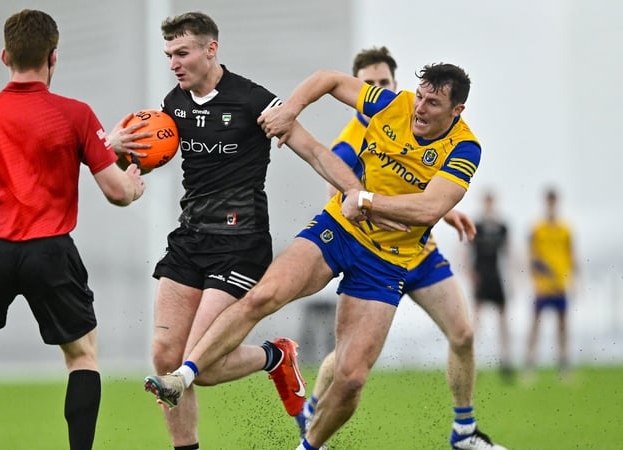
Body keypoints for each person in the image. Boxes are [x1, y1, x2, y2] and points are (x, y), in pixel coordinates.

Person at [145, 61, 491, 450]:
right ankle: (184, 376)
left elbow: (429, 207)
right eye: (421, 97)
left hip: (389, 260)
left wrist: (367, 200)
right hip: (338, 233)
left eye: (433, 103)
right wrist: (290, 110)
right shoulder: (392, 105)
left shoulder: (464, 146)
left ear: (456, 110)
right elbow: (327, 83)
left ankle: (310, 446)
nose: (420, 109)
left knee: (352, 377)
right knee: (264, 295)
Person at [140, 12, 374, 450]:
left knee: (200, 365)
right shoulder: (172, 105)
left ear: (211, 49)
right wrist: (124, 158)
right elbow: (144, 158)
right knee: (165, 358)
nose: (174, 62)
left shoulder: (253, 101)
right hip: (190, 238)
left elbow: (314, 151)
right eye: (169, 54)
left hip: (240, 243)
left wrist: (356, 192)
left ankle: (274, 356)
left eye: (182, 52)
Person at [0, 9, 145, 450]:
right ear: (54, 57)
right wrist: (133, 185)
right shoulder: (75, 115)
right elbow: (116, 193)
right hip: (49, 250)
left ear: (4, 56)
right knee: (82, 356)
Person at [294, 46, 504, 450]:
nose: (376, 89)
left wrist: (441, 213)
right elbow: (339, 193)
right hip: (374, 259)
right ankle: (313, 409)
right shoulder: (353, 138)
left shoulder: (410, 118)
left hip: (421, 256)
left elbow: (414, 182)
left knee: (462, 333)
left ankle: (464, 431)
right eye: (368, 83)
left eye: (383, 83)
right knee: (347, 361)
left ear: (394, 83)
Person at [524, 187, 576, 380]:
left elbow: (571, 256)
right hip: (543, 286)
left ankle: (563, 367)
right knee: (535, 325)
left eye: (554, 202)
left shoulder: (565, 229)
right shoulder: (537, 228)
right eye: (549, 202)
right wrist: (534, 279)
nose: (551, 205)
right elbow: (531, 257)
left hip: (560, 285)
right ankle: (529, 366)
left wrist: (574, 281)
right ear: (545, 203)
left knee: (562, 326)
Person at [470, 190, 512, 382]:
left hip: (496, 277)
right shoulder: (475, 226)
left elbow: (509, 252)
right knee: (477, 321)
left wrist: (514, 278)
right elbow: (465, 251)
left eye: (491, 203)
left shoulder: (502, 227)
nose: (489, 206)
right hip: (481, 277)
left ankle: (505, 360)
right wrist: (470, 274)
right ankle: (471, 361)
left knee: (502, 320)